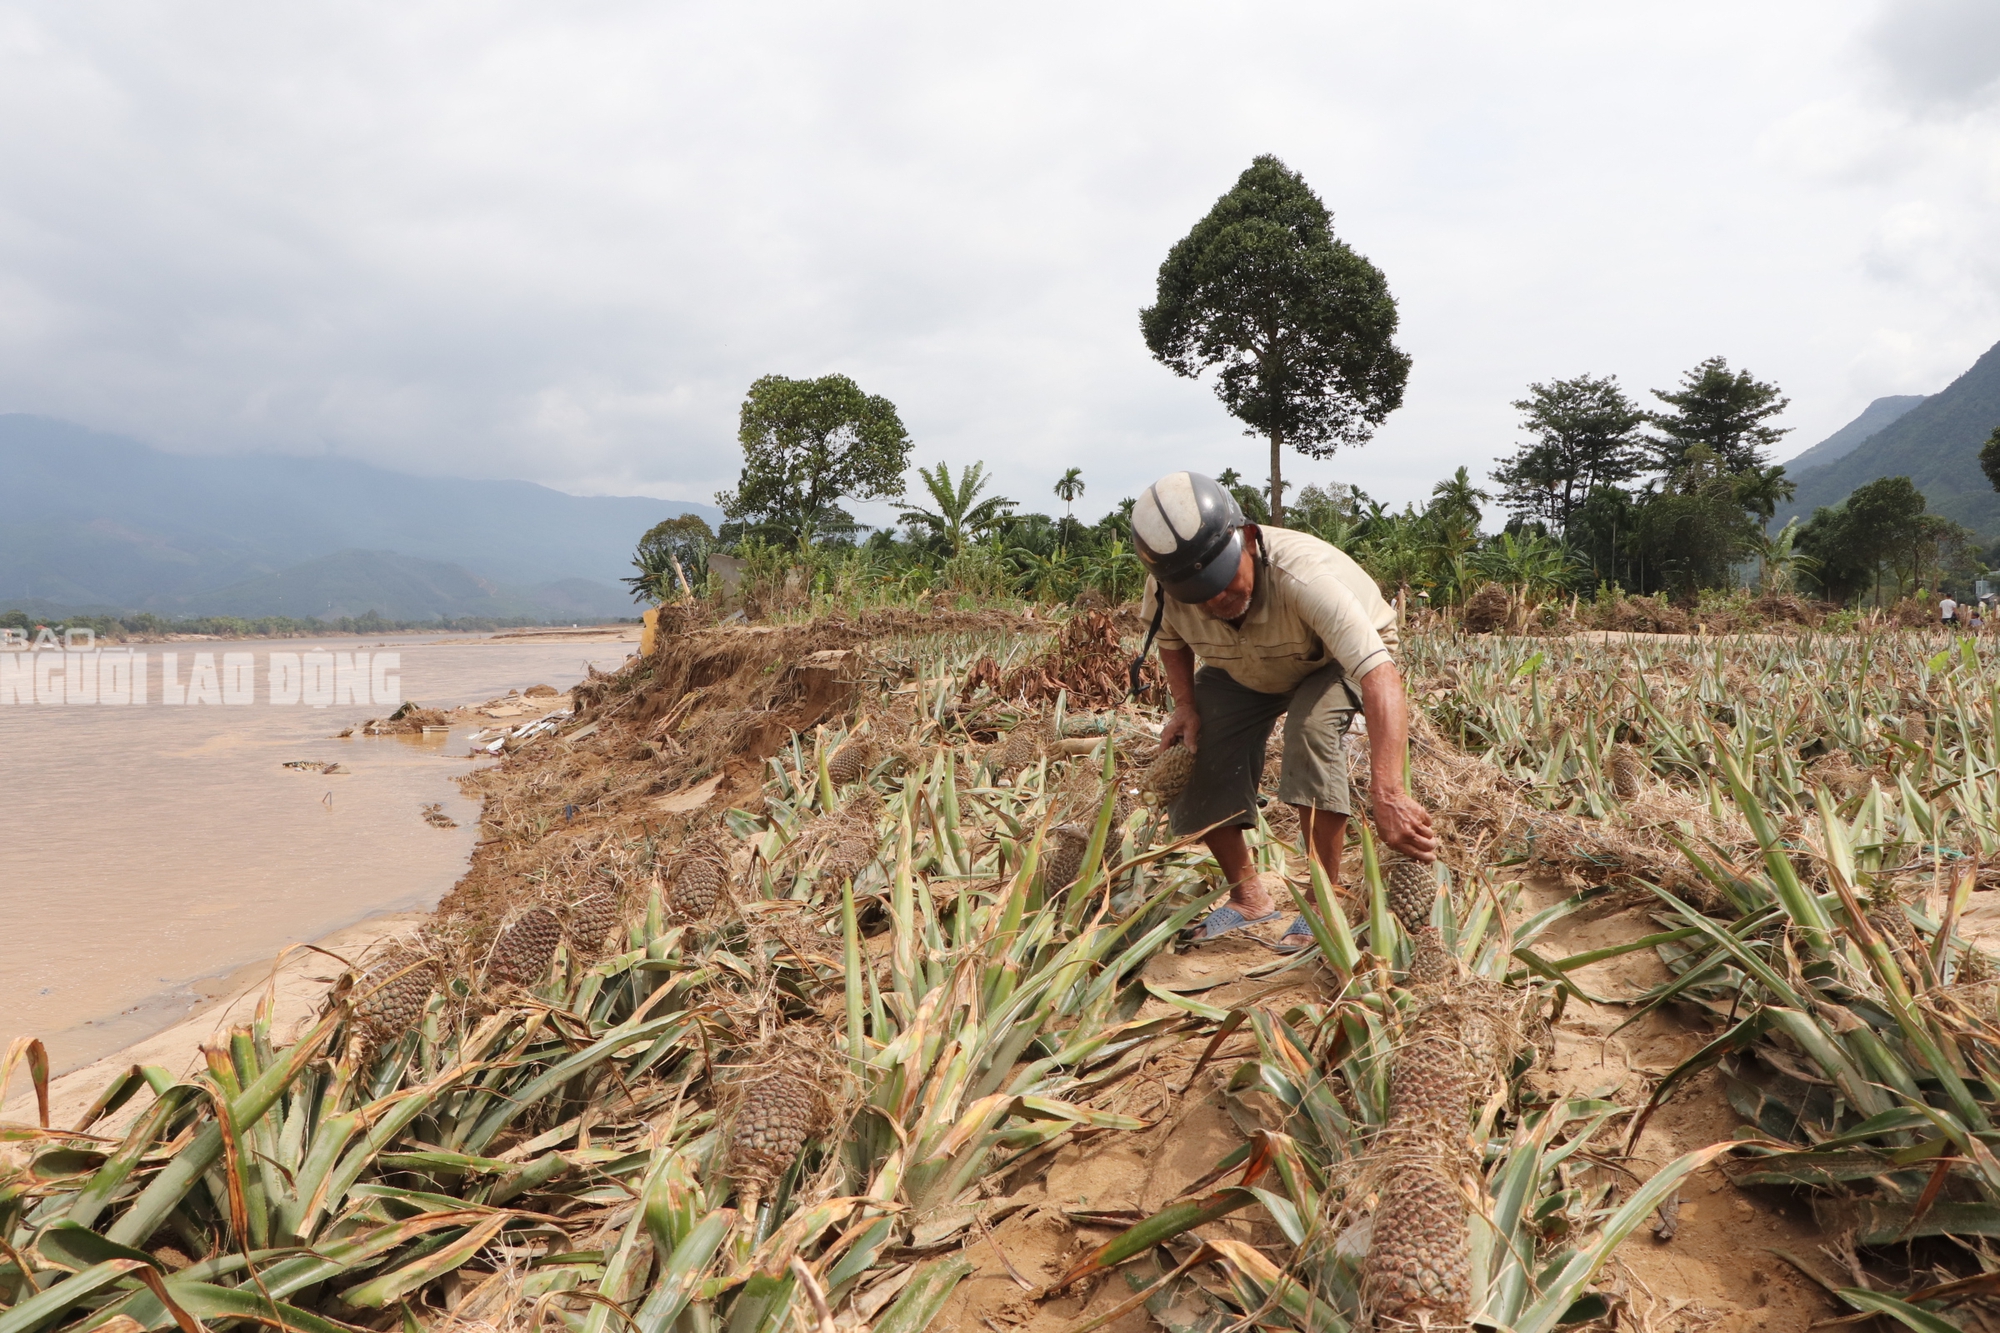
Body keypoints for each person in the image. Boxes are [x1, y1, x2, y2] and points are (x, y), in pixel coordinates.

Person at [1130, 470, 1438, 950]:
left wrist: (1390, 792)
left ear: (1249, 540)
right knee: (1197, 744)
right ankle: (1248, 896)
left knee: (1310, 730)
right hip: (1245, 665)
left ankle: (1322, 903)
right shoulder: (1168, 589)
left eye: (1223, 582)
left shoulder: (1306, 578)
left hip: (1329, 658)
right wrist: (1185, 706)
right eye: (1200, 595)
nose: (1216, 599)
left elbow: (1380, 674)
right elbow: (1169, 639)